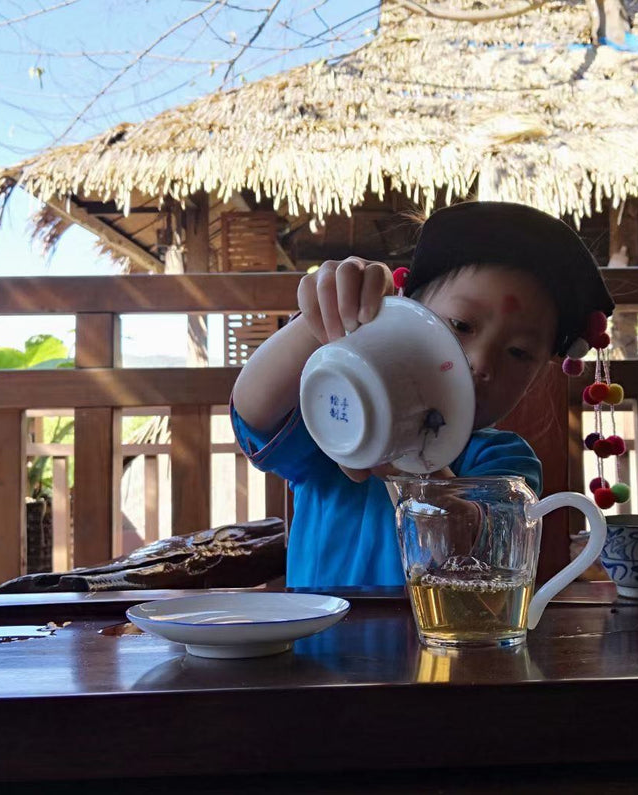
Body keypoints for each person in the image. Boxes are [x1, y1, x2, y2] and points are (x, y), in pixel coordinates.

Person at [231, 202, 615, 588]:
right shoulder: (338, 421)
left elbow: (472, 554)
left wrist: (408, 454)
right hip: (321, 628)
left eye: (519, 353)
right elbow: (253, 412)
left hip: (439, 629)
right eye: (461, 325)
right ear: (404, 315)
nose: (480, 362)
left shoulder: (506, 463)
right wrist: (327, 317)